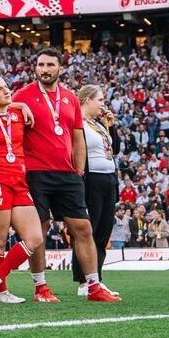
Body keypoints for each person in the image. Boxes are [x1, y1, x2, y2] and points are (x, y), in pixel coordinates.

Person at [11, 47, 120, 303]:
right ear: (35, 68)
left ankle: (93, 285)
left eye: (50, 65)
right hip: (36, 172)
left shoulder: (70, 97)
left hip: (68, 174)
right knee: (41, 228)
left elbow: (77, 137)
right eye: (40, 65)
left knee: (83, 227)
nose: (45, 69)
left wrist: (79, 170)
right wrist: (16, 104)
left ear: (60, 69)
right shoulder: (23, 95)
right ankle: (40, 287)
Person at [0, 75, 43, 303]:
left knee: (34, 238)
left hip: (19, 181)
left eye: (6, 87)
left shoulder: (18, 114)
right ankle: (2, 293)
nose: (6, 91)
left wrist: (21, 105)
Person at [72, 84, 120, 298]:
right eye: (100, 100)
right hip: (91, 181)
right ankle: (83, 281)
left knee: (103, 232)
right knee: (87, 230)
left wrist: (112, 127)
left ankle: (96, 279)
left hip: (109, 179)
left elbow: (115, 149)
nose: (103, 104)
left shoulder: (99, 124)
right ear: (88, 100)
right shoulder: (77, 123)